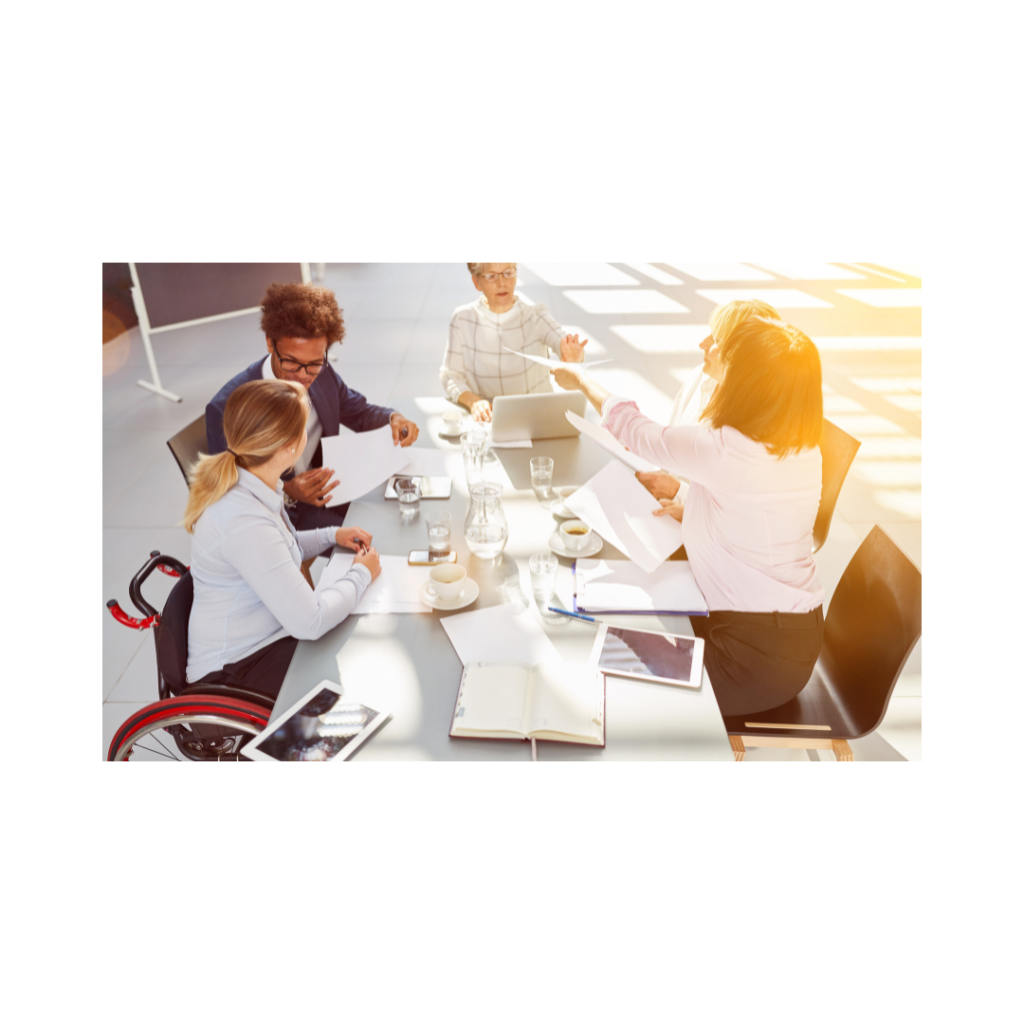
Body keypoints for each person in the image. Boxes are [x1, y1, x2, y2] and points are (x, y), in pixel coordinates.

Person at [552, 316, 825, 718]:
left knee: (616, 679)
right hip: (791, 637)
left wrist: (581, 378)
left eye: (732, 362)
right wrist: (686, 501)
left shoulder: (725, 449)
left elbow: (636, 431)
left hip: (752, 661)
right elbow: (748, 514)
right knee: (618, 634)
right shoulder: (804, 449)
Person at [184, 378, 382, 699]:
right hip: (235, 671)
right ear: (291, 445)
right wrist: (362, 573)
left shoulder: (254, 483)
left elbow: (280, 548)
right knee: (357, 672)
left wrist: (333, 534)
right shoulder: (243, 520)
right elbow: (311, 622)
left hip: (264, 639)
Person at [207, 283, 420, 536]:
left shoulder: (323, 373)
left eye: (314, 364)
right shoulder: (228, 407)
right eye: (291, 363)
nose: (303, 376)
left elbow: (359, 411)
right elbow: (227, 492)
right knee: (375, 538)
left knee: (400, 513)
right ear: (269, 343)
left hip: (328, 489)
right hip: (276, 517)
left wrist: (393, 418)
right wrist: (286, 491)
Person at [636, 299, 780, 507]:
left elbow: (735, 513)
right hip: (664, 504)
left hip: (704, 528)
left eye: (717, 340)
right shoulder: (701, 377)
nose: (703, 344)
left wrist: (677, 492)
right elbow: (671, 443)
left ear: (743, 357)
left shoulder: (757, 429)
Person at [440, 263, 589, 422]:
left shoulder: (536, 315)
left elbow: (561, 341)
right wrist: (473, 402)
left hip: (538, 420)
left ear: (516, 276)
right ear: (476, 282)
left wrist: (574, 357)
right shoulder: (462, 319)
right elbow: (450, 375)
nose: (502, 282)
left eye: (508, 273)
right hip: (489, 421)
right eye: (491, 276)